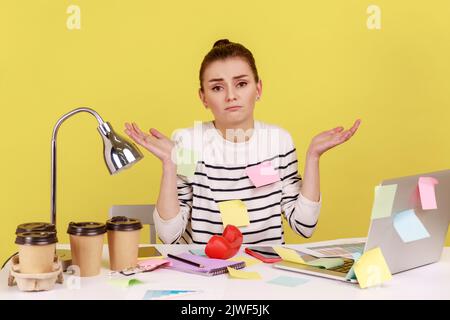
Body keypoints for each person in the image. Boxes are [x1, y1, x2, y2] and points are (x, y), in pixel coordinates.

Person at [125, 39, 360, 245]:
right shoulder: (188, 144)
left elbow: (304, 225)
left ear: (258, 88)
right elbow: (168, 235)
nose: (231, 95)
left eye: (241, 84)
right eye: (217, 87)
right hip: (203, 274)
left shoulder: (278, 142)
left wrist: (313, 157)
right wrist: (170, 163)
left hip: (264, 274)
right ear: (203, 98)